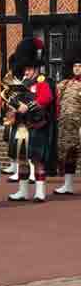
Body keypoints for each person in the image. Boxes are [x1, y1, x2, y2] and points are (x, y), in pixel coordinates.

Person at [6, 38, 55, 203]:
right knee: (21, 159)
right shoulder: (21, 84)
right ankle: (22, 191)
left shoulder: (41, 82)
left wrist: (29, 106)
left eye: (28, 69)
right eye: (25, 69)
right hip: (21, 126)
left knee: (37, 160)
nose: (25, 72)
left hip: (37, 125)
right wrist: (14, 107)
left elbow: (47, 98)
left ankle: (40, 192)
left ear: (35, 68)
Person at [55, 44, 81, 195]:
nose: (77, 68)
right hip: (66, 128)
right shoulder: (65, 84)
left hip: (79, 126)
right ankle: (68, 184)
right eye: (75, 66)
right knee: (69, 156)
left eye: (80, 66)